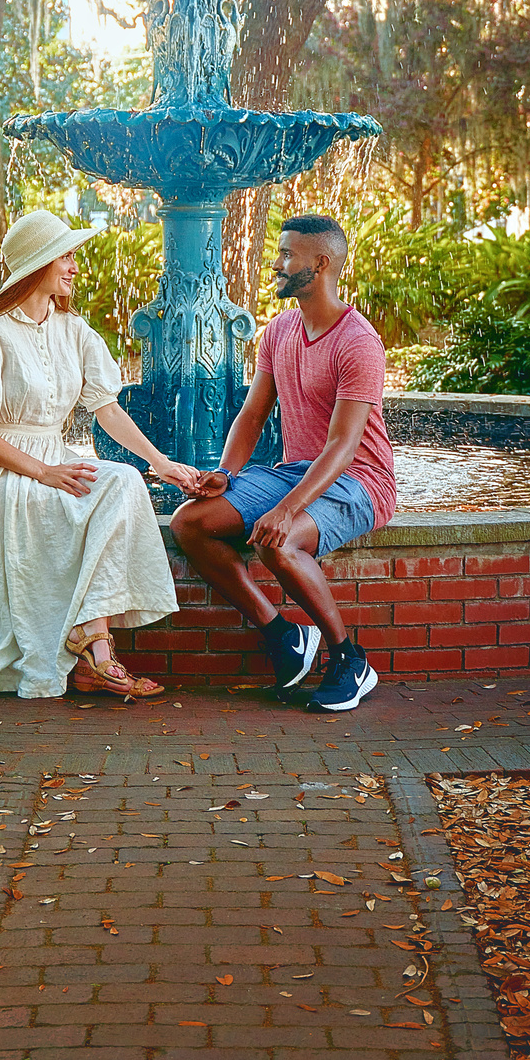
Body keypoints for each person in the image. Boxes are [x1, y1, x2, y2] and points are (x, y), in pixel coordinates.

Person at [0, 209, 200, 702]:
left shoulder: (74, 330)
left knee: (123, 483)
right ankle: (97, 654)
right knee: (67, 501)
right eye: (64, 255)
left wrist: (160, 462)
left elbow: (106, 409)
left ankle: (90, 636)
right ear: (37, 263)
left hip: (51, 456)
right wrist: (43, 472)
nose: (73, 266)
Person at [171, 214, 396, 713]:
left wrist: (288, 510)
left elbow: (342, 444)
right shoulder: (279, 331)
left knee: (282, 543)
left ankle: (349, 659)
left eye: (287, 254)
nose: (276, 263)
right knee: (191, 523)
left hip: (359, 478)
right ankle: (283, 636)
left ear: (320, 264)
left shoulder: (358, 341)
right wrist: (226, 473)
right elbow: (252, 415)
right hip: (299, 471)